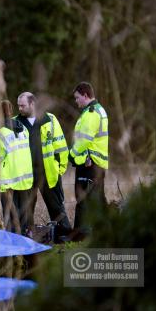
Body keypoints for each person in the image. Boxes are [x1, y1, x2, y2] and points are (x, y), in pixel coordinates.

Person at [14, 92, 72, 241]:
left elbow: (61, 146)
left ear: (32, 104)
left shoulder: (50, 119)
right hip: (26, 174)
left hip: (48, 173)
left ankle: (64, 236)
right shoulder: (15, 122)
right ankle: (26, 238)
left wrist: (60, 169)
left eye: (23, 105)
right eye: (18, 105)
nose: (19, 108)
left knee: (57, 207)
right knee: (25, 210)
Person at [69, 82, 109, 240]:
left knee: (84, 200)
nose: (76, 101)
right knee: (97, 199)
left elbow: (84, 140)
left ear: (85, 95)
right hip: (97, 162)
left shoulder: (91, 113)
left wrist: (71, 155)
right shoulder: (97, 110)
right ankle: (102, 232)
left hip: (90, 163)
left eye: (77, 98)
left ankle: (79, 236)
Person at [0, 100, 33, 235]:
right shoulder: (24, 129)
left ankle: (12, 241)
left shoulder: (1, 133)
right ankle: (26, 235)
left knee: (10, 213)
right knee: (23, 212)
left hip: (9, 179)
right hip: (25, 176)